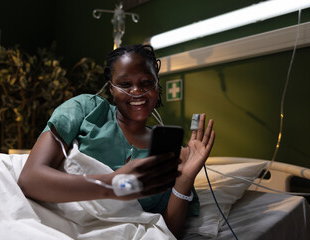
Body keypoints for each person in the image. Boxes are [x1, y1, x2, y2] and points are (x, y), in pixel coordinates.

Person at [17, 44, 215, 238]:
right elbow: (30, 179)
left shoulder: (169, 152)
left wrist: (185, 179)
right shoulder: (87, 110)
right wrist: (113, 185)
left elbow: (165, 231)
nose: (137, 91)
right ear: (111, 87)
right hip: (55, 225)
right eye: (125, 84)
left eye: (146, 82)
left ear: (157, 84)